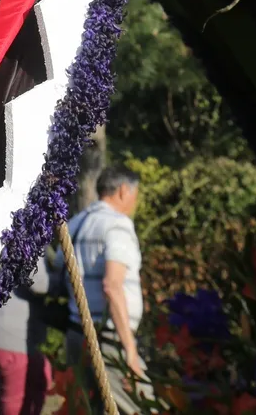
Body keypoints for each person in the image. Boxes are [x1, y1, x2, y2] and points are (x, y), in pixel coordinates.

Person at [58, 164, 153, 415]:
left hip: (76, 334)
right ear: (123, 191)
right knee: (140, 408)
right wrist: (130, 350)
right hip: (109, 341)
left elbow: (58, 271)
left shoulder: (76, 223)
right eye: (134, 195)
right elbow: (112, 285)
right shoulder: (117, 225)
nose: (134, 203)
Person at [0, 257, 52, 415]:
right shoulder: (30, 241)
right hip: (9, 335)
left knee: (40, 375)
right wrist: (61, 280)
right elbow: (40, 283)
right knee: (15, 403)